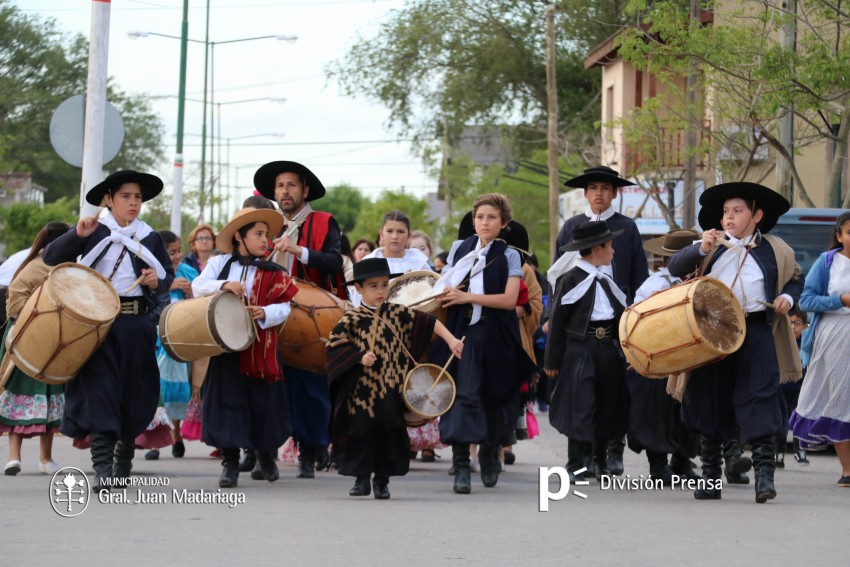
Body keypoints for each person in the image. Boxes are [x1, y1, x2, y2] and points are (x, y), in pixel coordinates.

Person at [667, 181, 803, 503]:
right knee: (708, 400)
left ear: (756, 215)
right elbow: (674, 266)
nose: (729, 217)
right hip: (712, 334)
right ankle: (711, 477)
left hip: (756, 332)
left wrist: (785, 297)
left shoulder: (775, 249)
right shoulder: (711, 246)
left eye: (737, 211)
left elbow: (796, 280)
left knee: (761, 399)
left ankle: (764, 478)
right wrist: (701, 247)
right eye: (726, 212)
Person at [42, 170, 174, 492]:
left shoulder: (150, 237)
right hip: (96, 325)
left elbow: (165, 278)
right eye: (126, 196)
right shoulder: (94, 230)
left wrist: (158, 282)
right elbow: (51, 257)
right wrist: (76, 234)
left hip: (136, 326)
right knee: (100, 391)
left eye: (138, 197)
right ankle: (101, 467)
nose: (133, 203)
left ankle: (123, 458)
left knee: (133, 393)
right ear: (109, 200)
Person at [326, 257, 463, 499]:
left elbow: (429, 322)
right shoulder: (353, 318)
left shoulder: (400, 313)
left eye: (383, 284)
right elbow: (334, 342)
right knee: (361, 431)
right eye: (373, 286)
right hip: (363, 392)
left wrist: (451, 340)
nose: (380, 291)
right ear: (358, 289)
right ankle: (361, 480)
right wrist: (358, 357)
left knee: (389, 430)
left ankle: (382, 481)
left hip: (392, 388)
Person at [431, 193, 537, 494]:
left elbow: (507, 300)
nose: (484, 222)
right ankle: (462, 466)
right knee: (461, 397)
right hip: (461, 332)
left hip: (496, 335)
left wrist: (467, 296)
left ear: (503, 223)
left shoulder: (510, 255)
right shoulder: (459, 249)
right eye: (480, 217)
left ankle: (490, 454)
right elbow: (444, 285)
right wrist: (447, 294)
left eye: (491, 217)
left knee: (495, 398)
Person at [550, 166, 649, 476]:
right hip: (580, 330)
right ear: (585, 193)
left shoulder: (627, 228)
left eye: (605, 188)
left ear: (614, 193)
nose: (598, 194)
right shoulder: (572, 226)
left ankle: (608, 454)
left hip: (614, 329)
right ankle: (577, 460)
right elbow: (558, 275)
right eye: (593, 188)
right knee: (580, 398)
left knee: (612, 395)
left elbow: (637, 277)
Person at [192, 207, 298, 487]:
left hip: (262, 349)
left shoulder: (275, 270)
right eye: (259, 234)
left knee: (264, 407)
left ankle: (265, 457)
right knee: (228, 405)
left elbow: (286, 306)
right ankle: (230, 465)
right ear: (240, 236)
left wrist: (265, 313)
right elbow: (197, 286)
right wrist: (225, 285)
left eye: (267, 235)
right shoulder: (220, 264)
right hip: (227, 349)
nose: (266, 240)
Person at [255, 160, 344, 478]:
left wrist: (297, 250)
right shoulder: (266, 224)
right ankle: (262, 453)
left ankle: (309, 451)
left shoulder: (323, 222)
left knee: (308, 389)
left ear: (305, 190)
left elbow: (335, 262)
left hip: (310, 318)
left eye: (291, 185)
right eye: (280, 186)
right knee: (265, 386)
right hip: (268, 315)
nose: (285, 191)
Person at [544, 221, 630, 483]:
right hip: (579, 350)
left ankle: (599, 460)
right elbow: (557, 321)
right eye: (610, 245)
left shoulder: (606, 280)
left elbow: (620, 319)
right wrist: (552, 360)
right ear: (597, 248)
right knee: (579, 405)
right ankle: (575, 462)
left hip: (607, 349)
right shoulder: (569, 279)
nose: (613, 251)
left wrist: (627, 353)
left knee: (607, 404)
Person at [627, 229, 702, 484]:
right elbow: (636, 322)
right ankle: (658, 466)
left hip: (692, 357)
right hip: (659, 356)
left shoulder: (702, 281)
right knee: (656, 413)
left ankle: (682, 461)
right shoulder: (655, 285)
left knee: (689, 411)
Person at [1, 221, 70, 476]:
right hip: (24, 339)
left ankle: (45, 458)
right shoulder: (34, 265)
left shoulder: (69, 266)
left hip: (54, 341)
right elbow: (14, 301)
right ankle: (13, 457)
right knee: (18, 394)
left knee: (51, 395)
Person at [790, 211, 850, 487]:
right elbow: (807, 300)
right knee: (840, 400)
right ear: (839, 236)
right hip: (835, 337)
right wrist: (840, 300)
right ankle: (848, 470)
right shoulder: (827, 264)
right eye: (849, 232)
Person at [144, 230, 199, 461]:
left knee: (177, 387)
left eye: (178, 251)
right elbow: (146, 302)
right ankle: (154, 441)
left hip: (181, 338)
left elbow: (200, 306)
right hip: (155, 337)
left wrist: (190, 293)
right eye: (171, 252)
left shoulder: (189, 273)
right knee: (156, 389)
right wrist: (167, 285)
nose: (177, 256)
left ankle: (175, 432)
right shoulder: (150, 274)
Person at [350, 211, 432, 307]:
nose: (394, 237)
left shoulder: (418, 262)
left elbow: (431, 293)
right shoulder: (369, 262)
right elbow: (358, 301)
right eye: (389, 231)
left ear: (409, 236)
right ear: (381, 234)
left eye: (400, 232)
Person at [780, 308, 809, 466]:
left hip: (800, 389)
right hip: (782, 388)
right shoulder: (782, 343)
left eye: (796, 323)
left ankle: (800, 450)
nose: (792, 327)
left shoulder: (806, 343)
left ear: (804, 326)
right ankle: (779, 453)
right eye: (789, 323)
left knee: (798, 420)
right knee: (781, 423)